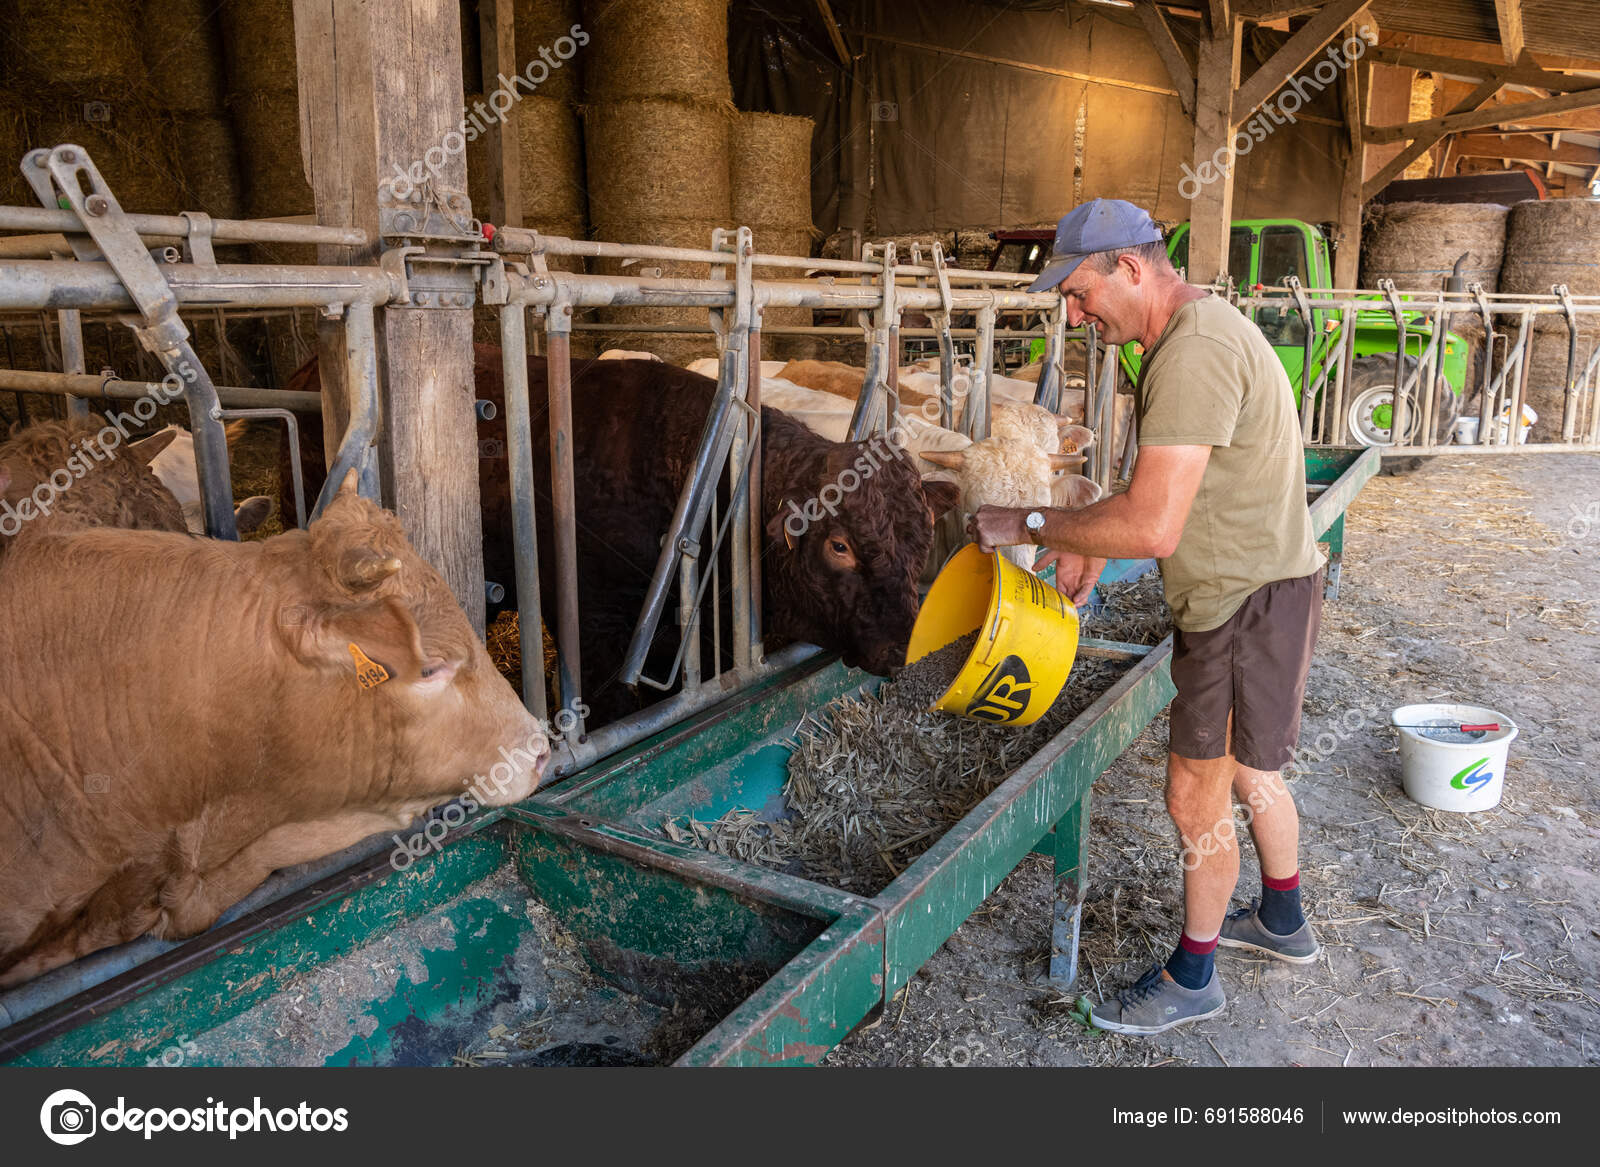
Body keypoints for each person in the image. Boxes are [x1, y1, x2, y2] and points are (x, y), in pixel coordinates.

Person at [966, 199, 1326, 1036]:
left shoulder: (1192, 353)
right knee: (1252, 769)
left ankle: (1194, 975)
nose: (1073, 312)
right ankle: (1282, 919)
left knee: (1191, 796)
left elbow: (1155, 525)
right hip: (1270, 587)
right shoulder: (1179, 336)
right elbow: (1159, 493)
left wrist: (1027, 521)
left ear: (1130, 268)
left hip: (1240, 603)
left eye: (1080, 292)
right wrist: (1096, 534)